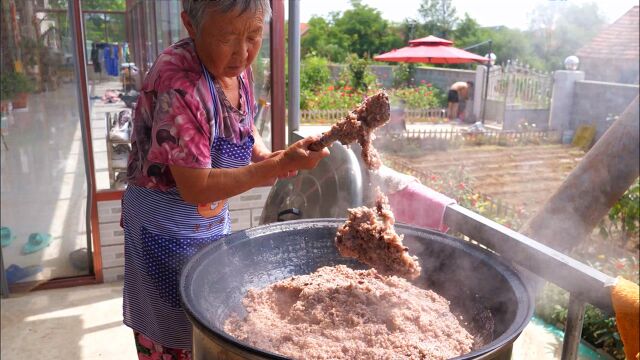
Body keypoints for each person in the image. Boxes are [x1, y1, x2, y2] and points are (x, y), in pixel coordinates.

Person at [121, 0, 330, 358]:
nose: (243, 52)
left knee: (211, 322)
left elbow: (245, 129)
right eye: (228, 37)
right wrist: (274, 168)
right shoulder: (181, 86)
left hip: (207, 221)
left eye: (254, 36)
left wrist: (269, 156)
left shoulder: (236, 68)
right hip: (164, 227)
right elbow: (195, 187)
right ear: (190, 24)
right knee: (175, 336)